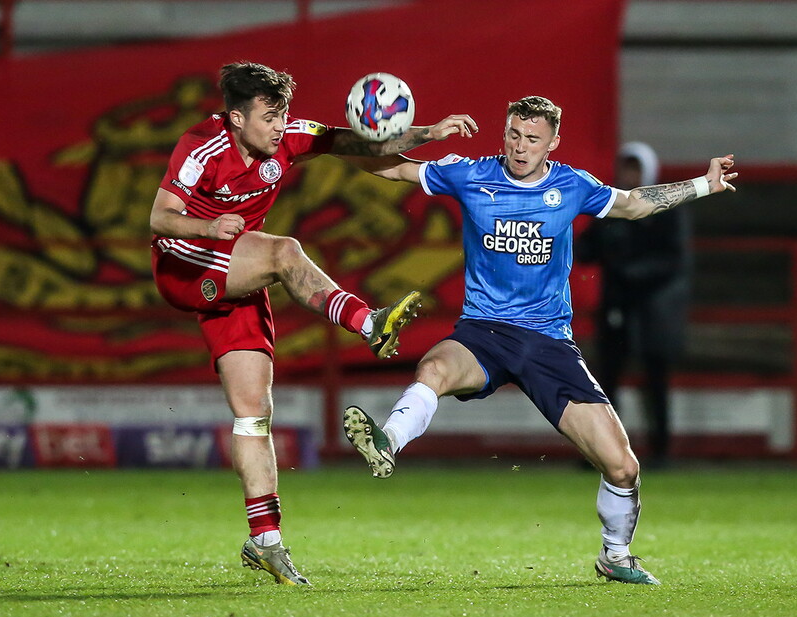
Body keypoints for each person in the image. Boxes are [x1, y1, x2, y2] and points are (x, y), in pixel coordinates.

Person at [341, 96, 736, 585]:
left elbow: (633, 205)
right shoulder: (469, 173)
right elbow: (390, 170)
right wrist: (329, 143)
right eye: (513, 135)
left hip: (549, 343)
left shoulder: (571, 185)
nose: (520, 147)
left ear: (552, 143)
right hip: (484, 332)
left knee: (624, 468)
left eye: (532, 139)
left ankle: (615, 555)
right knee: (435, 369)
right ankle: (389, 441)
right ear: (503, 134)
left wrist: (704, 183)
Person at [150, 61, 478, 586]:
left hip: (236, 271)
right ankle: (368, 322)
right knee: (284, 251)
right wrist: (210, 224)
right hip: (185, 264)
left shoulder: (290, 138)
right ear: (235, 118)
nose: (281, 125)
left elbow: (358, 142)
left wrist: (428, 132)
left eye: (284, 114)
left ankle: (266, 541)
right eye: (270, 116)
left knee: (254, 413)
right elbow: (160, 217)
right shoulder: (199, 146)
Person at [575, 142, 692, 469]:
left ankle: (660, 451)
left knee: (655, 381)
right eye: (625, 168)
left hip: (654, 310)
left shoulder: (668, 208)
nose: (629, 175)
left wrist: (628, 270)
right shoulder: (610, 208)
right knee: (606, 382)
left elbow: (673, 259)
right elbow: (585, 249)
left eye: (635, 168)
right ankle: (603, 452)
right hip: (617, 308)